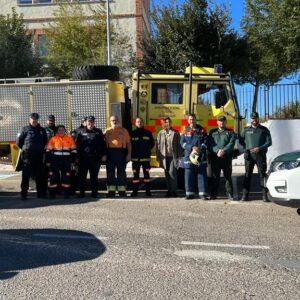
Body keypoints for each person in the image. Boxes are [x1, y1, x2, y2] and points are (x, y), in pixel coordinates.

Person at [239, 112, 272, 201]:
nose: (254, 120)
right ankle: (245, 196)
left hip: (260, 155)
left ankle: (265, 196)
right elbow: (241, 141)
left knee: (262, 175)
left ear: (258, 118)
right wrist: (246, 148)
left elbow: (269, 142)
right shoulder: (245, 130)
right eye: (253, 118)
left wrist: (259, 148)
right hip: (249, 156)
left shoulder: (264, 129)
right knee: (247, 175)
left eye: (256, 118)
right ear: (251, 119)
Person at [16, 113, 48, 200]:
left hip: (38, 156)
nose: (34, 120)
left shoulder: (42, 130)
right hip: (28, 157)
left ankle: (40, 194)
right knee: (26, 176)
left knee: (39, 176)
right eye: (32, 119)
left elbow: (45, 141)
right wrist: (26, 149)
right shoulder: (25, 129)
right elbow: (19, 142)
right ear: (29, 119)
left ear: (38, 120)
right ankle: (24, 194)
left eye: (36, 119)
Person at [76, 116, 107, 198]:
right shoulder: (80, 132)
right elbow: (77, 145)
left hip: (95, 158)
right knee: (82, 177)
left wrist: (104, 154)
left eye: (92, 122)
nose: (90, 123)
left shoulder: (98, 132)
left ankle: (94, 193)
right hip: (83, 158)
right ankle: (82, 193)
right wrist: (76, 157)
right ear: (86, 122)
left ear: (94, 123)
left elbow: (103, 144)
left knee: (94, 177)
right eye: (89, 122)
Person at [180, 114, 209, 200]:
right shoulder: (185, 130)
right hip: (189, 155)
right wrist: (191, 148)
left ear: (196, 120)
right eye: (190, 119)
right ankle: (189, 194)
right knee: (189, 176)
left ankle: (203, 194)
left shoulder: (202, 130)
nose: (192, 121)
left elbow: (206, 141)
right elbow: (182, 143)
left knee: (202, 175)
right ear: (188, 121)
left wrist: (200, 148)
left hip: (200, 155)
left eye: (193, 119)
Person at [208, 115, 237, 200]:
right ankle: (213, 194)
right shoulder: (212, 132)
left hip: (226, 158)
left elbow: (231, 144)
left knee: (228, 176)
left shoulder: (231, 132)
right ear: (217, 122)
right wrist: (217, 151)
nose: (222, 122)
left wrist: (223, 151)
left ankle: (229, 194)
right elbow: (210, 144)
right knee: (215, 177)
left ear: (226, 122)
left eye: (223, 121)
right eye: (220, 121)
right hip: (215, 158)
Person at [46, 125, 77, 199]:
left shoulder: (69, 139)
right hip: (55, 160)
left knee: (66, 177)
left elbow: (74, 150)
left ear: (65, 130)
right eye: (59, 130)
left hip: (66, 160)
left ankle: (66, 193)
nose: (61, 131)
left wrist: (73, 161)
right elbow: (48, 150)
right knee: (53, 177)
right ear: (57, 131)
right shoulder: (53, 139)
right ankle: (52, 194)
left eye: (62, 129)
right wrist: (48, 161)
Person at [105, 115, 131, 197]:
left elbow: (128, 143)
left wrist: (129, 154)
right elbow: (102, 144)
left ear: (119, 121)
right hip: (110, 153)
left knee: (121, 172)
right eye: (113, 120)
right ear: (110, 121)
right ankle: (111, 191)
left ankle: (122, 191)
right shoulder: (107, 131)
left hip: (121, 153)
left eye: (116, 120)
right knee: (110, 173)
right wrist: (104, 154)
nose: (114, 121)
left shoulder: (124, 131)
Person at [156, 117, 181, 197]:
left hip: (173, 156)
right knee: (166, 174)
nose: (168, 123)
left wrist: (179, 157)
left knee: (172, 172)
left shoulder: (176, 132)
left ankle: (174, 191)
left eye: (169, 122)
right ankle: (169, 191)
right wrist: (158, 156)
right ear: (163, 124)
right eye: (166, 122)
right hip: (164, 157)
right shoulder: (160, 133)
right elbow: (158, 146)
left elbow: (179, 145)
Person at [131, 117, 155, 197]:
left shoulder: (148, 133)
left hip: (146, 158)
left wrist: (147, 150)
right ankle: (134, 192)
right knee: (135, 176)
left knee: (147, 176)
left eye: (141, 122)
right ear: (135, 123)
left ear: (143, 123)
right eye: (138, 122)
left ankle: (148, 192)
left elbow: (152, 144)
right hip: (135, 159)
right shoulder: (132, 133)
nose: (139, 123)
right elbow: (129, 145)